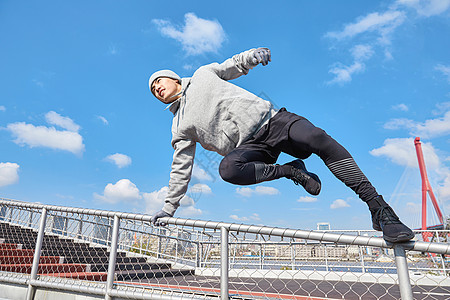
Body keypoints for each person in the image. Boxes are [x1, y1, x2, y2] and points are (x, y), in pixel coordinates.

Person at [148, 47, 414, 243]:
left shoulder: (203, 74)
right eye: (152, 90)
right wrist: (169, 207)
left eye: (158, 81)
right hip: (250, 147)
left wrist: (253, 55)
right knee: (227, 170)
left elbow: (232, 64)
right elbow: (181, 166)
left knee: (317, 138)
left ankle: (379, 209)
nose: (156, 88)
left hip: (272, 120)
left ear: (173, 78)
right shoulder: (178, 126)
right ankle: (291, 171)